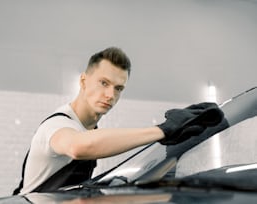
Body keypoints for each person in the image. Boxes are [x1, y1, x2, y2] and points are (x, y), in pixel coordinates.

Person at [15, 47, 223, 195]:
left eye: (118, 88)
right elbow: (79, 146)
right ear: (83, 81)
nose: (110, 95)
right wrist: (164, 130)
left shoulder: (89, 128)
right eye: (104, 83)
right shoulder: (58, 125)